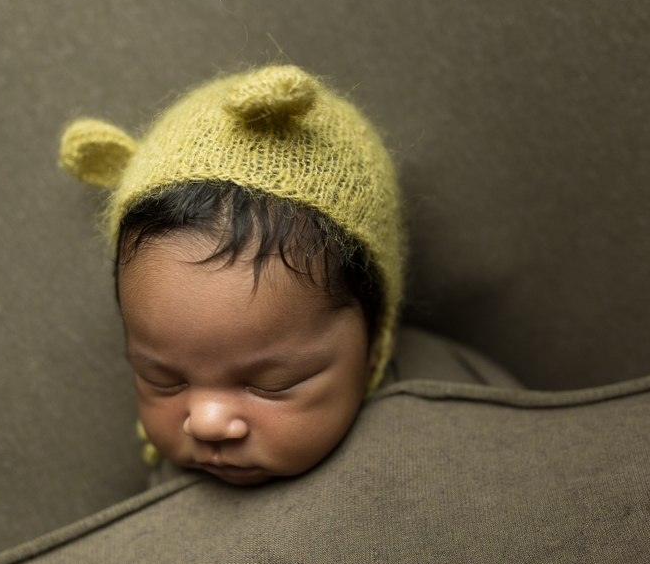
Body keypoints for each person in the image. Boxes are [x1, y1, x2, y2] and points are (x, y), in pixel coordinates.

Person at [59, 64, 405, 485]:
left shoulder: (436, 446)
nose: (206, 424)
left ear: (376, 342)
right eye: (161, 379)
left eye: (274, 384)